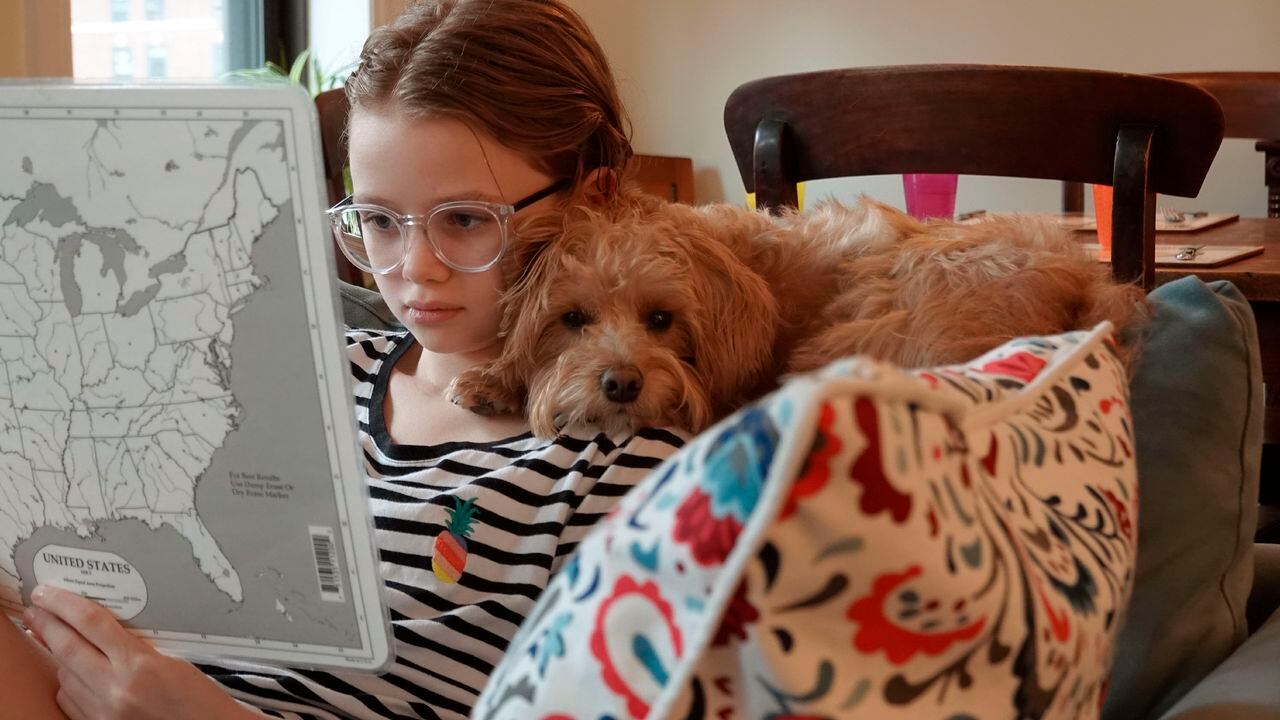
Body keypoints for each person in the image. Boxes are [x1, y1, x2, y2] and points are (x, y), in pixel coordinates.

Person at [2, 1, 685, 718]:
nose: (416, 268)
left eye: (466, 220)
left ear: (594, 195)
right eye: (381, 221)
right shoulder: (300, 375)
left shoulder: (618, 460)